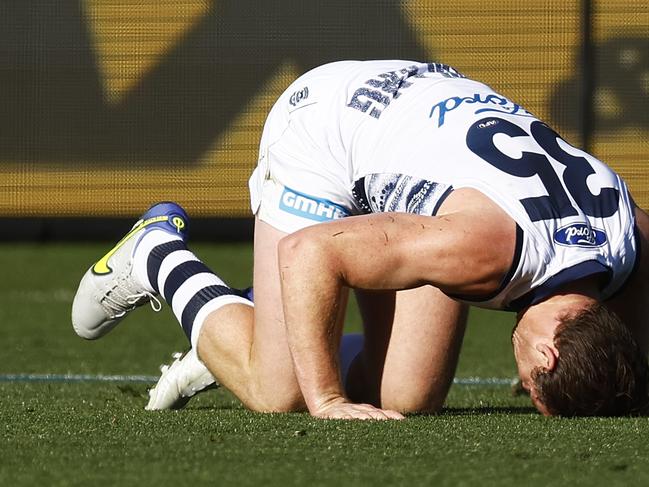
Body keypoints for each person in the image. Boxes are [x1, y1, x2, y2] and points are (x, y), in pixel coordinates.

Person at [72, 60, 649, 419]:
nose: (522, 382)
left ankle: (267, 321)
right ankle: (156, 254)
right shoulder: (478, 252)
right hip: (330, 125)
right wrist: (327, 401)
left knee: (405, 398)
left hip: (424, 128)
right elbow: (310, 253)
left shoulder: (631, 243)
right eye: (533, 383)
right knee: (280, 392)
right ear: (546, 354)